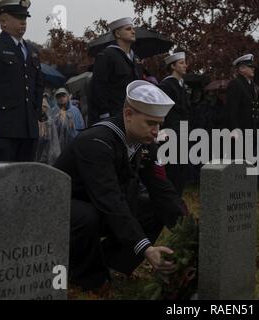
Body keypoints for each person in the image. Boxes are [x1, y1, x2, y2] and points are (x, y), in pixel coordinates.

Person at [54, 80, 187, 291]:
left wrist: (191, 231)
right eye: (150, 123)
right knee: (89, 216)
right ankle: (87, 278)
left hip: (100, 204)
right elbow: (109, 198)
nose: (156, 131)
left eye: (159, 124)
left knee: (153, 207)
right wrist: (145, 248)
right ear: (128, 114)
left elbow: (162, 190)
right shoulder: (96, 142)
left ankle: (114, 265)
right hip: (63, 208)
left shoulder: (144, 144)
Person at [0, 0, 44, 162]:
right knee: (3, 178)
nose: (23, 22)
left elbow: (38, 85)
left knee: (26, 177)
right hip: (2, 126)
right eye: (18, 17)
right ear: (3, 21)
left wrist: (37, 116)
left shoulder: (32, 51)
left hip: (28, 128)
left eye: (25, 18)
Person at [88, 17, 143, 126]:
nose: (133, 31)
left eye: (133, 29)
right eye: (128, 29)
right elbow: (98, 86)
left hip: (131, 114)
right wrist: (104, 114)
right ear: (118, 34)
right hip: (113, 115)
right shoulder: (106, 55)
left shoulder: (135, 59)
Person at [158, 52, 190, 196]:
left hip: (182, 131)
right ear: (173, 66)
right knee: (173, 169)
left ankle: (178, 198)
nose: (185, 65)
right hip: (171, 132)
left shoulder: (180, 84)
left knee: (182, 169)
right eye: (182, 63)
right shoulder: (167, 85)